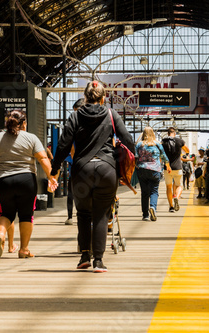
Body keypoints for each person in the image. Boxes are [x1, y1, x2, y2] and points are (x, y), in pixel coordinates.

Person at [50, 81, 135, 273]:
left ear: (85, 97)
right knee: (101, 215)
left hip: (82, 171)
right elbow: (128, 140)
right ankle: (98, 261)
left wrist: (55, 170)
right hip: (106, 170)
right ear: (103, 97)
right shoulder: (112, 114)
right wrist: (129, 161)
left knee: (83, 214)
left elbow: (63, 145)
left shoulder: (75, 116)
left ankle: (84, 256)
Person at [0, 110, 57, 258]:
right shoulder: (31, 138)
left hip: (3, 181)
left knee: (6, 213)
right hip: (26, 180)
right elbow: (43, 158)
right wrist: (51, 177)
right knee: (26, 215)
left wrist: (2, 171)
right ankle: (24, 249)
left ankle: (1, 233)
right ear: (24, 123)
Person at [135, 126, 171, 222]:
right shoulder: (158, 144)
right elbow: (164, 157)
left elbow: (135, 157)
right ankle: (153, 207)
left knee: (144, 193)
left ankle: (145, 215)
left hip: (142, 170)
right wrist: (168, 167)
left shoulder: (139, 145)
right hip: (155, 170)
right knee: (154, 191)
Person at [64, 98, 85, 225]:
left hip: (76, 166)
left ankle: (70, 217)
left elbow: (70, 148)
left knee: (72, 192)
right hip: (89, 165)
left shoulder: (73, 126)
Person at [161, 127, 189, 212]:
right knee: (179, 185)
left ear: (168, 133)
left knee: (168, 187)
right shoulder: (179, 141)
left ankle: (171, 207)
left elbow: (161, 155)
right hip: (178, 168)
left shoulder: (163, 142)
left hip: (167, 168)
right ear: (175, 133)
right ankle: (176, 197)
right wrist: (184, 154)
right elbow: (187, 150)